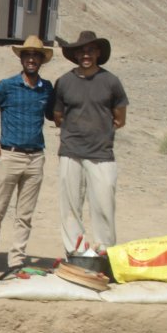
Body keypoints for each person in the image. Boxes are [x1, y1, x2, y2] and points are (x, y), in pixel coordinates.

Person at [0, 36, 57, 276]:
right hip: (10, 155)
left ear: (42, 60)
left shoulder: (47, 88)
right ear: (21, 58)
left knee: (25, 214)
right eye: (27, 55)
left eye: (36, 56)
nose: (31, 59)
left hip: (36, 158)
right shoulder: (7, 86)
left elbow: (55, 114)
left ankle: (17, 260)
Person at [53, 30, 129, 254]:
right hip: (70, 151)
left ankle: (104, 252)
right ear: (75, 55)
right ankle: (74, 252)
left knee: (104, 203)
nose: (86, 55)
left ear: (97, 53)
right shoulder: (64, 82)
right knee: (70, 206)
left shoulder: (111, 81)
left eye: (90, 51)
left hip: (101, 153)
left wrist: (99, 130)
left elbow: (120, 118)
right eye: (81, 51)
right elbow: (58, 116)